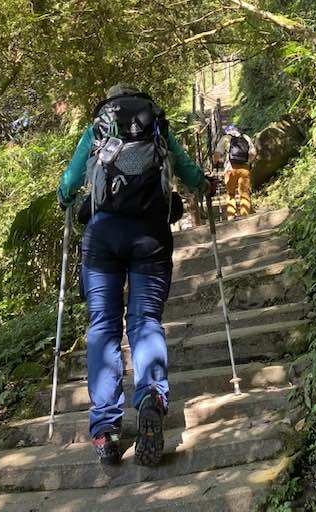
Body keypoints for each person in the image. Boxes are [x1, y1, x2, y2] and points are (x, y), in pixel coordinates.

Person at [55, 83, 209, 468]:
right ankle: (152, 397)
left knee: (104, 325)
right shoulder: (158, 127)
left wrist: (65, 197)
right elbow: (189, 174)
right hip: (151, 235)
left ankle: (105, 430)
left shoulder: (97, 130)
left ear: (108, 104)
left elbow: (71, 182)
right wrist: (202, 184)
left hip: (103, 235)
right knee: (144, 321)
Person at [214, 124, 256, 219]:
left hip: (230, 169)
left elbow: (217, 153)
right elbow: (253, 153)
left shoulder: (225, 138)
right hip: (244, 168)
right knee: (244, 192)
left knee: (230, 193)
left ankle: (231, 216)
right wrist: (247, 162)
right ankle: (245, 216)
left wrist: (217, 161)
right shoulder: (245, 137)